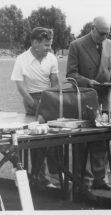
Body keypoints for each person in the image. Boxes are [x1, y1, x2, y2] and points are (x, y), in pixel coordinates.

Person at [67, 16, 111, 191]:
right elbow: (71, 74)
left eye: (107, 34)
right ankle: (81, 179)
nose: (105, 37)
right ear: (92, 28)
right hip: (84, 99)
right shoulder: (76, 45)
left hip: (104, 99)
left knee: (101, 140)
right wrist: (89, 82)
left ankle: (100, 177)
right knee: (82, 141)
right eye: (102, 33)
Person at [10, 27, 59, 188]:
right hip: (32, 99)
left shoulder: (51, 58)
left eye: (50, 44)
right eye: (46, 45)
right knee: (38, 139)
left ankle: (58, 176)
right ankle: (40, 178)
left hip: (49, 97)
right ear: (35, 43)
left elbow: (55, 81)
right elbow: (20, 87)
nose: (49, 48)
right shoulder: (21, 59)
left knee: (56, 138)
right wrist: (34, 105)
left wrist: (53, 99)